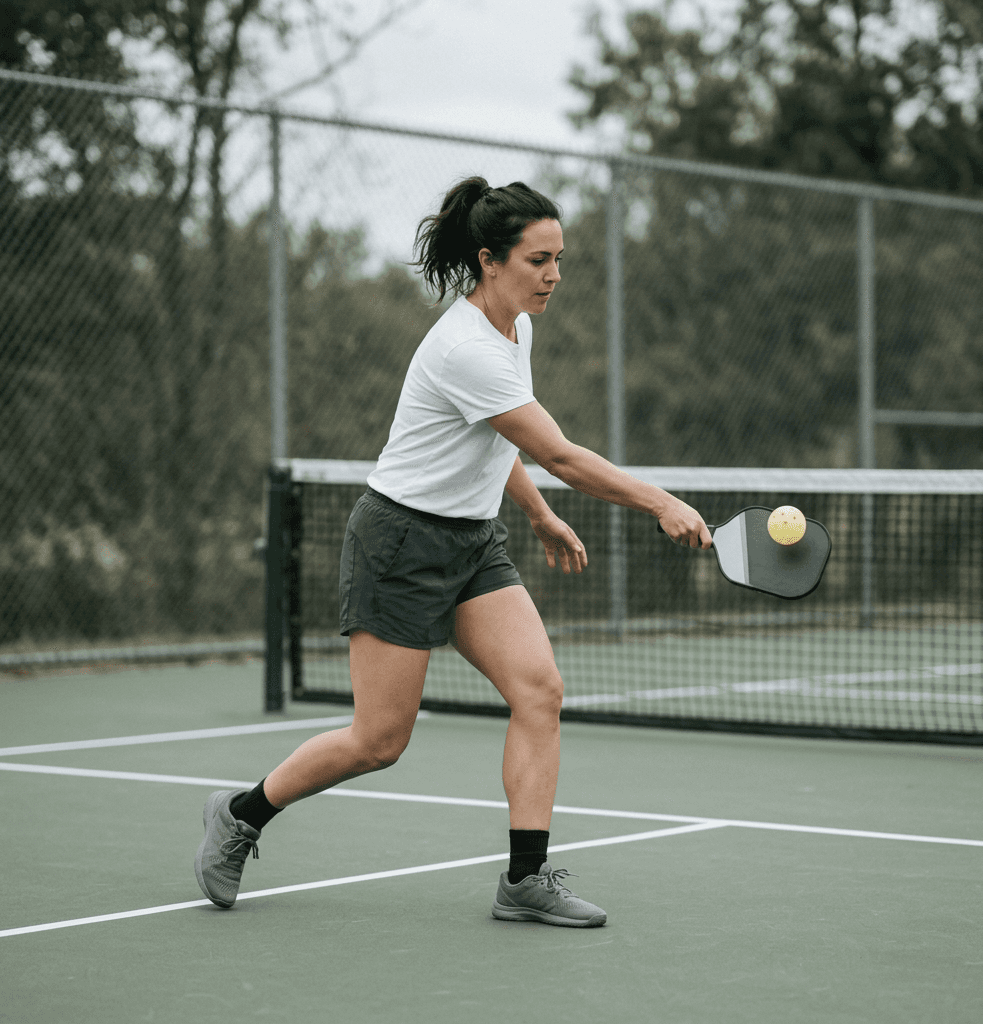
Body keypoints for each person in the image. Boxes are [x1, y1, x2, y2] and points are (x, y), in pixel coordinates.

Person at [195, 176, 711, 927]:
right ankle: (241, 812)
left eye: (560, 258)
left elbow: (498, 440)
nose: (554, 275)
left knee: (540, 690)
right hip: (399, 542)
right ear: (490, 261)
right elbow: (560, 454)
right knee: (378, 742)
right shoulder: (465, 347)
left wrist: (533, 513)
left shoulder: (515, 332)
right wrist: (660, 501)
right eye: (539, 260)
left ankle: (525, 879)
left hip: (473, 544)